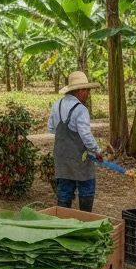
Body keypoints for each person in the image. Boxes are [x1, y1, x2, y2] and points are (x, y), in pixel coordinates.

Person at [47, 70, 104, 212]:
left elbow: (52, 128)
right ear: (79, 91)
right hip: (79, 157)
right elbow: (86, 135)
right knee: (87, 186)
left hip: (61, 156)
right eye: (87, 90)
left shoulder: (56, 105)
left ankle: (62, 219)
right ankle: (85, 218)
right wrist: (97, 151)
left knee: (64, 188)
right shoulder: (81, 110)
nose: (88, 94)